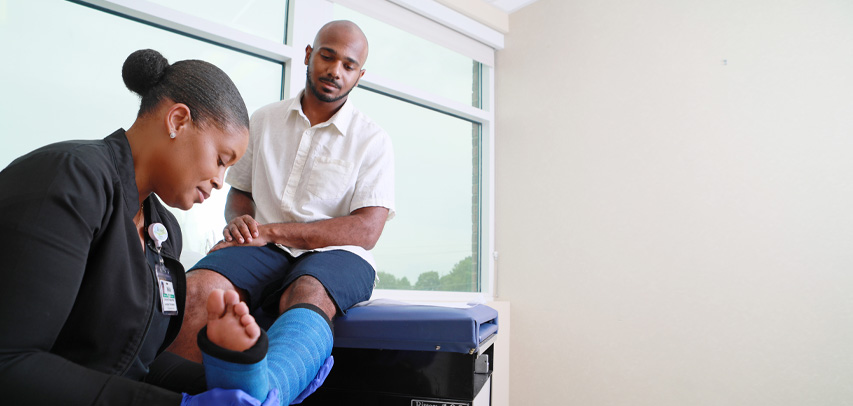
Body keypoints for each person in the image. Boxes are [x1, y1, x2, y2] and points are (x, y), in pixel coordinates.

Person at [0, 48, 277, 406]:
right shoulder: (68, 180)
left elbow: (136, 364)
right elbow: (10, 363)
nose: (220, 182)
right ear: (178, 120)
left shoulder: (163, 232)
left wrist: (234, 372)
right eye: (221, 160)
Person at [167, 20, 395, 404]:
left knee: (305, 292)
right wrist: (239, 220)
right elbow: (240, 193)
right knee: (200, 289)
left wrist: (271, 232)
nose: (335, 70)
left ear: (360, 75)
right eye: (327, 56)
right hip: (264, 247)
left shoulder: (373, 140)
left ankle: (266, 395)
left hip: (340, 255)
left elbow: (367, 230)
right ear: (309, 55)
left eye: (348, 65)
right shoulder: (263, 119)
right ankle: (174, 396)